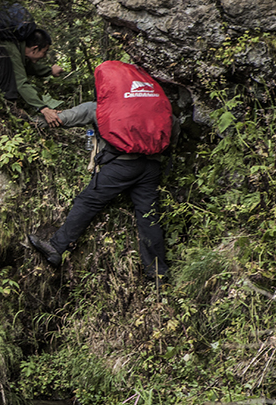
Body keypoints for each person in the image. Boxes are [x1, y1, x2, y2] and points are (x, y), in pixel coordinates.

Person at [27, 97, 171, 282]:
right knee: (148, 217)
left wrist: (28, 119)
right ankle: (157, 272)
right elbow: (171, 127)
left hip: (121, 165)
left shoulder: (100, 107)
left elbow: (63, 119)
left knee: (88, 201)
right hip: (151, 165)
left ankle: (56, 247)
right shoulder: (150, 107)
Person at [0, 28, 65, 125]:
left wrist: (50, 71)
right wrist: (44, 109)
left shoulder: (18, 47)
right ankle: (9, 106)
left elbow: (26, 66)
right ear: (34, 49)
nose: (44, 56)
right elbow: (21, 82)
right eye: (44, 52)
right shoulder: (11, 49)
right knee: (3, 58)